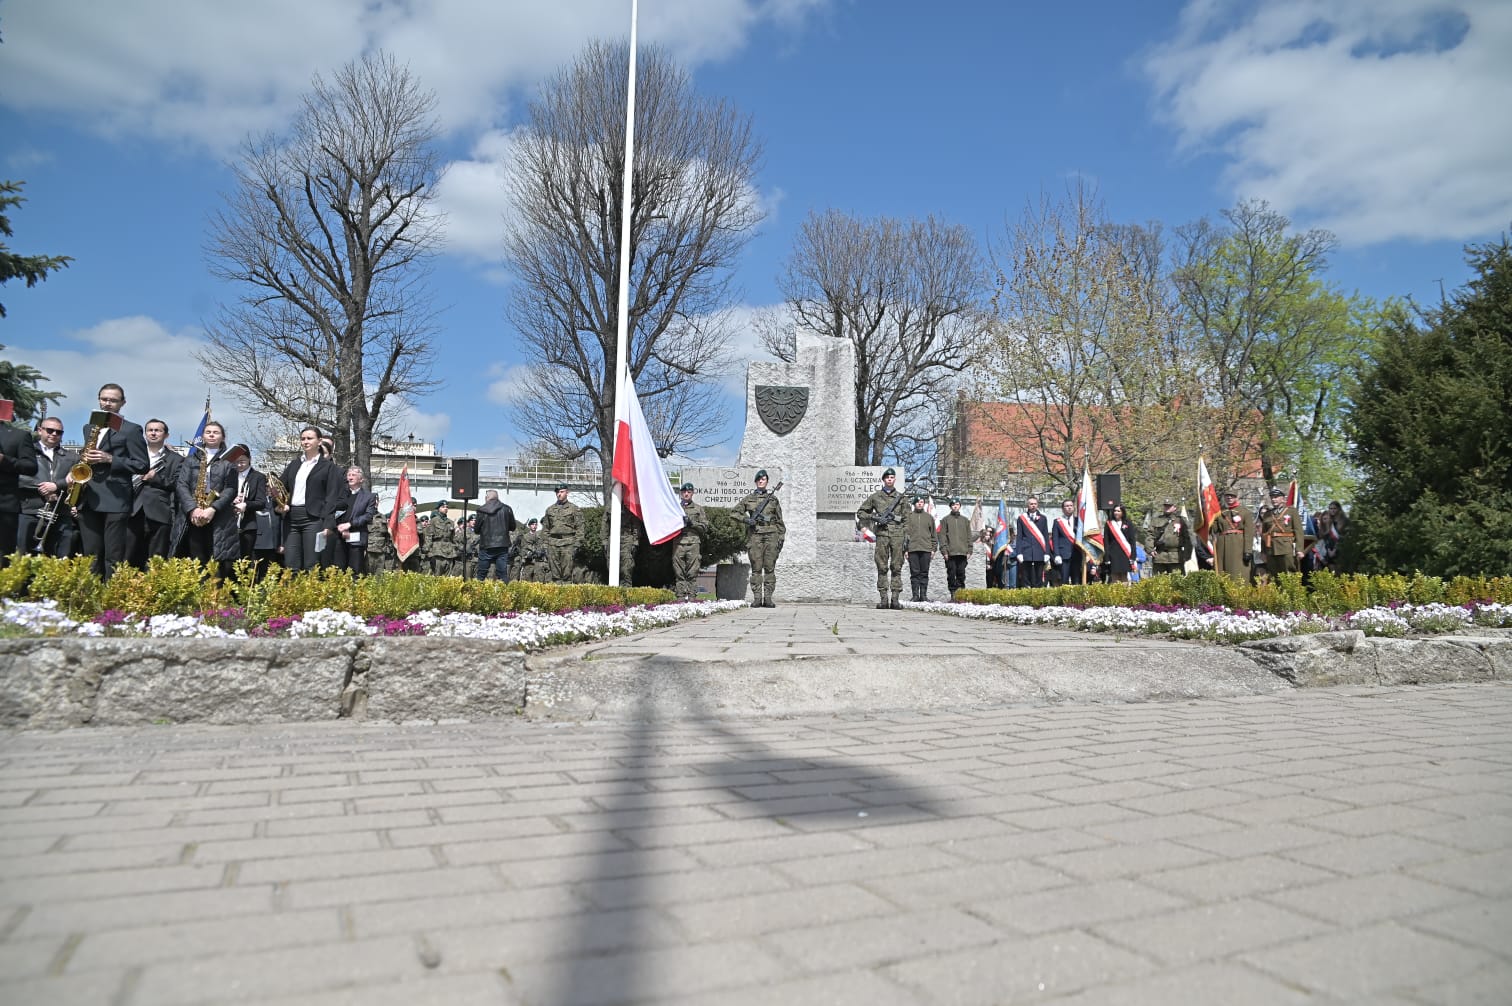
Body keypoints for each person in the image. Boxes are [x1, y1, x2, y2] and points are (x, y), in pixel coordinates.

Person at [73, 383, 149, 579]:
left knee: (113, 556)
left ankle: (111, 595)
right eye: (104, 399)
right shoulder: (89, 427)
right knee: (91, 555)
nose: (107, 403)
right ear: (99, 399)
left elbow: (142, 465)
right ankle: (90, 593)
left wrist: (110, 459)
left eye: (113, 400)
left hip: (116, 499)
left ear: (123, 403)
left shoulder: (131, 429)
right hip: (89, 497)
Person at [174, 426, 241, 578]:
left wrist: (213, 509)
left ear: (222, 437)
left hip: (219, 515)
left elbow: (231, 489)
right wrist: (193, 509)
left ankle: (215, 591)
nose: (211, 435)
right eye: (208, 432)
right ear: (203, 437)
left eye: (216, 432)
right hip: (194, 514)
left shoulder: (229, 461)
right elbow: (182, 485)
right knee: (195, 558)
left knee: (217, 563)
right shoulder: (191, 459)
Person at [276, 426, 345, 571]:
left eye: (309, 438)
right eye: (303, 439)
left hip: (314, 519)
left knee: (311, 564)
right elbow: (280, 487)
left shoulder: (328, 467)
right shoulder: (294, 464)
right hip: (292, 518)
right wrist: (278, 503)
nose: (305, 441)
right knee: (291, 564)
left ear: (319, 441)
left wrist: (328, 523)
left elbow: (331, 497)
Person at [126, 418, 181, 568]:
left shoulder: (177, 459)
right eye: (150, 430)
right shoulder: (132, 455)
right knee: (128, 556)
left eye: (158, 430)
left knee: (155, 560)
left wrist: (155, 478)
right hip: (132, 510)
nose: (153, 433)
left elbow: (178, 484)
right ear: (145, 434)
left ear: (166, 435)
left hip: (160, 512)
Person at [18, 416, 75, 558]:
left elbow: (76, 481)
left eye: (59, 432)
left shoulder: (72, 457)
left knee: (60, 557)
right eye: (50, 430)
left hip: (60, 512)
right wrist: (42, 488)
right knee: (24, 555)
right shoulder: (26, 452)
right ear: (40, 430)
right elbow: (17, 477)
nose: (54, 434)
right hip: (30, 510)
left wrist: (56, 486)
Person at [855, 467, 907, 609]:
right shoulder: (875, 497)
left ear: (894, 479)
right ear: (884, 480)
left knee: (896, 566)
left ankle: (895, 599)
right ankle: (884, 599)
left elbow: (907, 519)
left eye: (892, 477)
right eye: (887, 478)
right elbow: (861, 512)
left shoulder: (901, 498)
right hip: (882, 534)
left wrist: (906, 536)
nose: (890, 480)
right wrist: (875, 517)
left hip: (898, 535)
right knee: (882, 566)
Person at [735, 469, 785, 607]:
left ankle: (768, 599)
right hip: (755, 535)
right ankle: (757, 598)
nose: (761, 481)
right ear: (755, 482)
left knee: (769, 568)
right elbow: (734, 513)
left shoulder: (773, 499)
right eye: (758, 479)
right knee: (756, 568)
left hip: (771, 535)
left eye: (763, 479)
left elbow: (779, 520)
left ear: (767, 482)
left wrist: (781, 537)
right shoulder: (749, 499)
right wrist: (747, 520)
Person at [0, 408, 39, 556]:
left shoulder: (18, 436)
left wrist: (5, 460)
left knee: (3, 556)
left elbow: (31, 466)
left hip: (4, 507)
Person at [229, 444, 269, 569]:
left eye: (242, 461)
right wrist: (232, 500)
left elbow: (261, 502)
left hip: (247, 525)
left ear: (249, 459)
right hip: (228, 523)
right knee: (228, 562)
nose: (239, 465)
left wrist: (246, 504)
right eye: (236, 462)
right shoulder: (229, 474)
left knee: (244, 561)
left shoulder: (258, 477)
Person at [334, 467, 377, 575]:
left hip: (356, 538)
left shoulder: (369, 497)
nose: (350, 477)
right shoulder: (340, 495)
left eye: (353, 475)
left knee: (354, 572)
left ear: (361, 479)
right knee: (338, 570)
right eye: (349, 475)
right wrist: (340, 526)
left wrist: (350, 524)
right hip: (338, 536)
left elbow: (368, 516)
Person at [673, 483, 709, 600]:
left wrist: (692, 524)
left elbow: (704, 527)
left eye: (689, 492)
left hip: (693, 543)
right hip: (678, 543)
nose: (686, 494)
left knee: (692, 571)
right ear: (681, 493)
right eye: (684, 492)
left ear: (692, 493)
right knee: (678, 571)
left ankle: (692, 596)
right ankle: (680, 597)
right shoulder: (675, 508)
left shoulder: (698, 509)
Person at [542, 483, 583, 583]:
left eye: (561, 492)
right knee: (554, 574)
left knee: (567, 575)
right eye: (557, 492)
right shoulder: (550, 510)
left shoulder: (574, 509)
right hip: (553, 544)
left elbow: (580, 528)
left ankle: (567, 592)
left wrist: (577, 544)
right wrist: (545, 545)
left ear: (567, 492)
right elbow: (546, 529)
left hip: (568, 544)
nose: (559, 494)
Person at [1210, 490, 1253, 582]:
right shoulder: (1219, 512)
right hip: (1222, 544)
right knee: (1222, 569)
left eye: (1232, 496)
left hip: (1238, 545)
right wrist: (1209, 518)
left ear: (1236, 497)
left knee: (1237, 570)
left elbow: (1249, 533)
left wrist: (1247, 551)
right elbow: (1214, 529)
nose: (1229, 497)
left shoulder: (1245, 512)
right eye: (1227, 496)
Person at [473, 489, 517, 581]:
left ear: (487, 497)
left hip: (486, 546)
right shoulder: (507, 509)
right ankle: (504, 590)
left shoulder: (482, 510)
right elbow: (513, 527)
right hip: (502, 546)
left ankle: (478, 590)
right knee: (502, 574)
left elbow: (476, 530)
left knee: (481, 574)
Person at [1260, 486, 1303, 576]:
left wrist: (1299, 549)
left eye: (1276, 497)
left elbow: (1298, 531)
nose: (1273, 499)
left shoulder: (1291, 511)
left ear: (1283, 499)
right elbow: (1264, 535)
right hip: (1271, 548)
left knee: (1289, 572)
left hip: (1286, 547)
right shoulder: (1267, 514)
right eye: (1272, 497)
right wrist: (1263, 551)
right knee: (1273, 574)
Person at [904, 494, 938, 602]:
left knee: (924, 573)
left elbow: (934, 534)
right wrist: (905, 550)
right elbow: (905, 534)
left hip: (926, 549)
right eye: (918, 502)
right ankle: (915, 595)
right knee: (914, 573)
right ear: (914, 504)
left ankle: (923, 595)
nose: (920, 504)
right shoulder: (909, 517)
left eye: (922, 502)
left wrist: (933, 549)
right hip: (912, 549)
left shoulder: (929, 517)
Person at [1013, 496, 1051, 588]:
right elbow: (1019, 537)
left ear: (1037, 505)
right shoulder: (1022, 518)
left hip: (1039, 551)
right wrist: (1019, 552)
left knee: (1039, 577)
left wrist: (1047, 552)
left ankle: (1038, 593)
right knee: (1026, 577)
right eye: (1031, 504)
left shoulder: (1043, 518)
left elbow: (1046, 536)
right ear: (1027, 505)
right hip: (1026, 551)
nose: (1033, 505)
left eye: (1035, 504)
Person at [937, 497, 972, 596]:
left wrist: (969, 550)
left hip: (962, 552)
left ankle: (961, 594)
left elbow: (969, 536)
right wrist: (944, 551)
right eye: (953, 505)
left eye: (957, 504)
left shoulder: (965, 520)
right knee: (951, 574)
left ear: (960, 506)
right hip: (950, 553)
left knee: (961, 574)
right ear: (950, 507)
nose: (955, 506)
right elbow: (942, 536)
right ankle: (953, 594)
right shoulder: (945, 520)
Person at [601, 503, 642, 586]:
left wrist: (635, 541)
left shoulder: (630, 506)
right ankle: (613, 589)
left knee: (626, 568)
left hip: (626, 539)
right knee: (612, 566)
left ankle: (626, 588)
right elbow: (605, 524)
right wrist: (604, 541)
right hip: (612, 538)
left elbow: (636, 526)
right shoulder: (610, 507)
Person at [1149, 499, 1193, 576]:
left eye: (1169, 506)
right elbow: (1150, 535)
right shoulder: (1156, 520)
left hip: (1176, 557)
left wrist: (1187, 554)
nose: (1167, 508)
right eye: (1165, 506)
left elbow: (1188, 538)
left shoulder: (1181, 520)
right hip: (1159, 556)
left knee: (1177, 580)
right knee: (1159, 580)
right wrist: (1150, 549)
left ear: (1174, 507)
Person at [1101, 502, 1141, 583]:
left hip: (1125, 553)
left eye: (1118, 511)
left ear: (1123, 512)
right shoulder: (1109, 523)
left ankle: (1124, 591)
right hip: (1113, 554)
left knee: (1124, 576)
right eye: (1115, 511)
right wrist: (1107, 556)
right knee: (1114, 576)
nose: (1116, 512)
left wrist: (1133, 556)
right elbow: (1106, 541)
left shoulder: (1128, 523)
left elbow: (1132, 541)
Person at [1049, 498, 1081, 586]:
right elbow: (1055, 539)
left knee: (1076, 581)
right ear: (1063, 509)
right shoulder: (1057, 521)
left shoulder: (1079, 521)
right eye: (1067, 506)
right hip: (1063, 555)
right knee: (1064, 580)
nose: (1069, 507)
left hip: (1077, 554)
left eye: (1071, 505)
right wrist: (1056, 554)